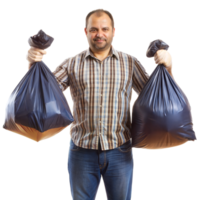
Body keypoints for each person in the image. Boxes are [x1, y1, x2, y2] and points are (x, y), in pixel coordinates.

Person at [25, 8, 174, 200]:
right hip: (81, 151)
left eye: (105, 29)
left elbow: (159, 98)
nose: (99, 34)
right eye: (94, 29)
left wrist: (168, 67)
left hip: (120, 150)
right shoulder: (71, 63)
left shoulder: (131, 63)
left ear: (114, 32)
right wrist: (32, 64)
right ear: (85, 32)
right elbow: (41, 94)